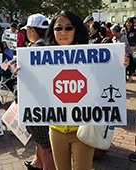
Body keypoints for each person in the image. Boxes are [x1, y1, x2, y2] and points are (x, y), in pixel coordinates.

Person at [44, 11, 94, 170]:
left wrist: (119, 66)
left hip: (83, 130)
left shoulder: (93, 57)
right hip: (56, 130)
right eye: (58, 28)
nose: (63, 32)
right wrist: (24, 75)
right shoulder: (40, 59)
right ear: (52, 31)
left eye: (68, 27)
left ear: (76, 30)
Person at [15, 13, 56, 170]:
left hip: (35, 105)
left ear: (32, 30)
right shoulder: (51, 47)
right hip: (46, 103)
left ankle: (43, 165)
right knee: (41, 142)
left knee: (45, 146)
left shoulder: (34, 50)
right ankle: (37, 163)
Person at [124, 17, 136, 82]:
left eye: (129, 23)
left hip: (131, 49)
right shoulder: (124, 31)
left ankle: (130, 75)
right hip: (124, 48)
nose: (128, 24)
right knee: (125, 62)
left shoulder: (134, 32)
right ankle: (125, 75)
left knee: (131, 62)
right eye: (127, 22)